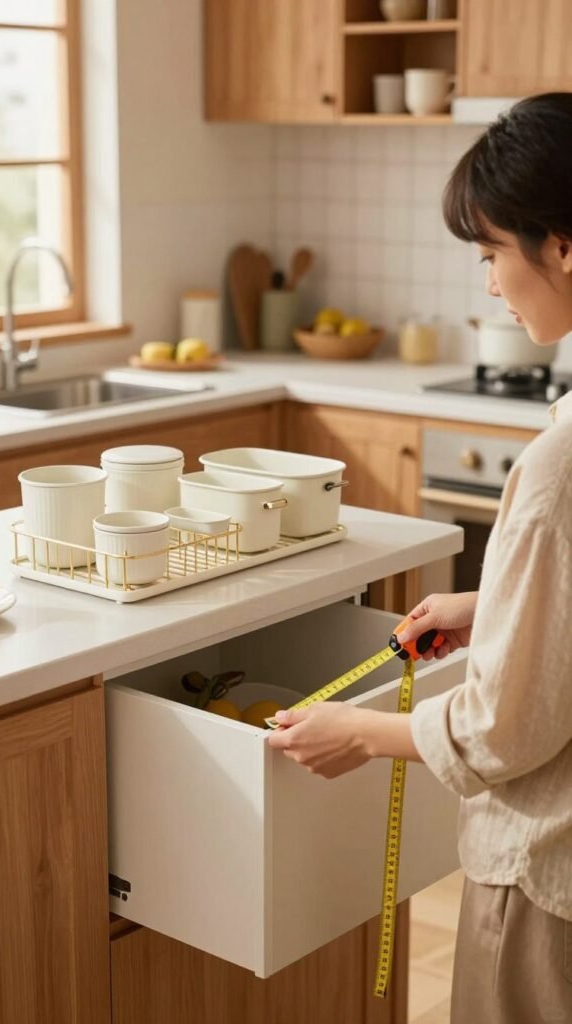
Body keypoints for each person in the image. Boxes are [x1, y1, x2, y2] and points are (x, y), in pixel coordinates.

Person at [268, 92, 572, 1023]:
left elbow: (502, 731)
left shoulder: (562, 465)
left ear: (559, 245)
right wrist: (489, 605)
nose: (486, 283)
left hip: (546, 872)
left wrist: (354, 734)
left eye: (489, 254)